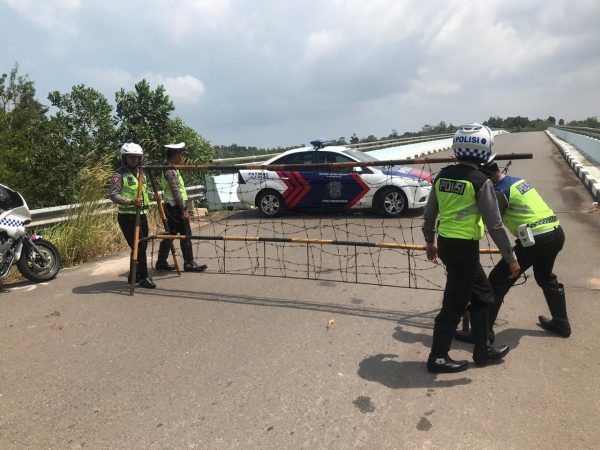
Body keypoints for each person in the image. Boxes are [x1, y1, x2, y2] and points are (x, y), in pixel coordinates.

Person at [422, 123, 520, 373]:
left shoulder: (442, 176)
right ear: (485, 151)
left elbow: (430, 213)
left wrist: (429, 241)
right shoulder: (480, 181)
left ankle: (483, 350)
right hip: (464, 248)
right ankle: (438, 358)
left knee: (484, 296)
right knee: (453, 306)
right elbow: (495, 225)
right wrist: (510, 258)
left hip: (446, 244)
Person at [482, 162, 570, 338]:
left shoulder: (499, 192)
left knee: (497, 281)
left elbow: (492, 221)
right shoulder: (518, 181)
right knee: (545, 277)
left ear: (488, 177)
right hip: (555, 233)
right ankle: (561, 323)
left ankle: (482, 334)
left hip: (536, 240)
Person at [155, 142, 207, 273]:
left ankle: (161, 261)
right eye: (181, 154)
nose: (182, 157)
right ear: (176, 154)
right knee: (186, 234)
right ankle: (189, 263)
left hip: (171, 206)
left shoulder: (169, 167)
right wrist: (183, 209)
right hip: (176, 207)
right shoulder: (170, 170)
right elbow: (175, 190)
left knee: (171, 233)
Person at [110, 142, 156, 289]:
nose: (133, 160)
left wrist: (154, 197)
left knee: (141, 245)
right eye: (130, 157)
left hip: (141, 214)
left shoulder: (141, 173)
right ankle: (143, 277)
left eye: (136, 157)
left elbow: (144, 192)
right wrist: (131, 202)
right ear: (124, 158)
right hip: (127, 216)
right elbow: (113, 195)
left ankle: (134, 275)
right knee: (138, 246)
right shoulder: (119, 175)